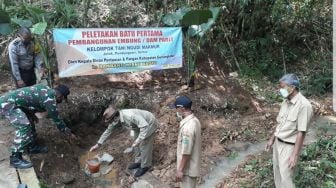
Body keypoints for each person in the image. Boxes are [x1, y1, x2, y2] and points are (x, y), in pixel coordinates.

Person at [0, 84, 76, 169]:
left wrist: (32, 115)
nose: (61, 100)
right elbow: (57, 120)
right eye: (62, 98)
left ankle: (31, 147)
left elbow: (28, 101)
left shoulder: (46, 89)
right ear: (59, 95)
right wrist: (69, 133)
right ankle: (15, 158)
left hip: (15, 104)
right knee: (24, 127)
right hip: (7, 105)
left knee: (30, 122)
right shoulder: (49, 100)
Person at [265, 74, 313, 188]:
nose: (280, 90)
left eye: (283, 87)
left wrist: (294, 155)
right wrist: (272, 139)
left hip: (289, 147)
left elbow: (301, 132)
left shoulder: (304, 106)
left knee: (286, 178)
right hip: (278, 143)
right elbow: (280, 123)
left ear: (292, 87)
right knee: (277, 173)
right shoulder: (285, 101)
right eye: (280, 87)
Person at [90, 106, 158, 177]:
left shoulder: (130, 116)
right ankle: (139, 162)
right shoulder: (116, 119)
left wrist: (139, 140)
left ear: (115, 118)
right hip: (137, 127)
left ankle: (145, 166)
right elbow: (108, 131)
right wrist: (98, 144)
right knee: (136, 145)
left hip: (148, 123)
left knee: (144, 144)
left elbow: (144, 126)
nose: (111, 123)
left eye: (111, 121)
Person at [172, 96, 201, 188]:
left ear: (182, 108)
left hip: (187, 171)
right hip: (192, 167)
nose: (176, 111)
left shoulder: (188, 127)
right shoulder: (195, 120)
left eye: (177, 108)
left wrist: (180, 170)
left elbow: (186, 152)